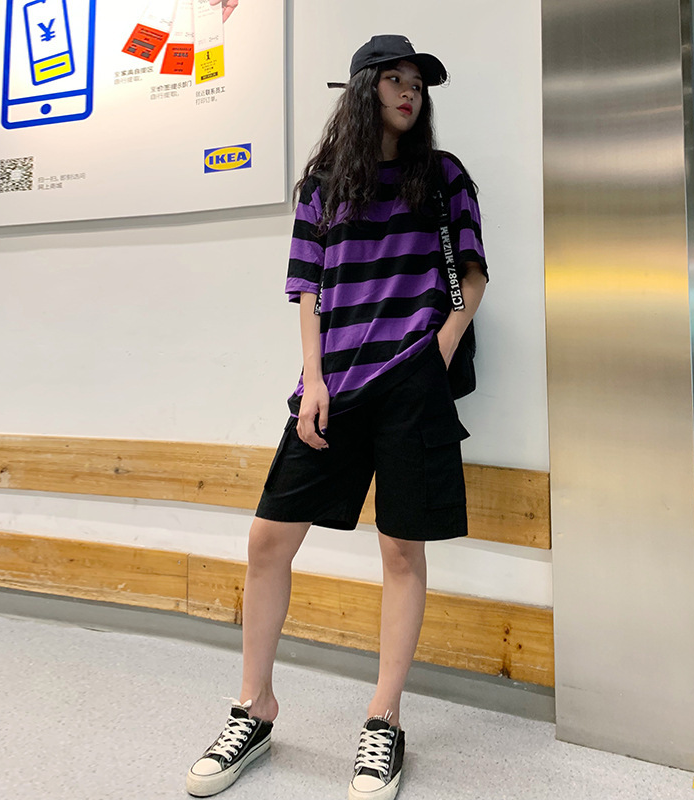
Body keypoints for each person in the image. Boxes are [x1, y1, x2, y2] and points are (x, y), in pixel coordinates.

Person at [186, 34, 488, 800]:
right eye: (394, 79)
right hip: (335, 386)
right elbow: (308, 288)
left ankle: (384, 719)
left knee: (401, 553)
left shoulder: (443, 176)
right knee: (267, 542)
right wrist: (313, 379)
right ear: (362, 90)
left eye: (417, 81)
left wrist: (436, 352)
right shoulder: (323, 183)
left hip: (412, 384)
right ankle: (254, 706)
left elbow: (471, 275)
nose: (409, 91)